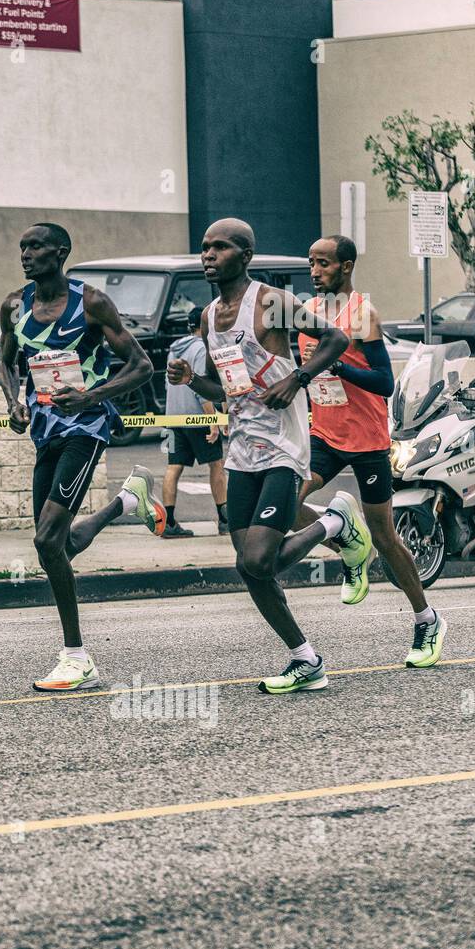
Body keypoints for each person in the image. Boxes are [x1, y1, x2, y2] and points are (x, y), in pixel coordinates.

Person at [167, 218, 372, 695]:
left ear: (246, 255)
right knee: (248, 566)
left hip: (283, 444)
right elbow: (228, 388)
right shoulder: (207, 317)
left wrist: (297, 378)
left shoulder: (272, 301)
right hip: (241, 449)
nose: (209, 255)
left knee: (260, 560)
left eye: (220, 247)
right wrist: (190, 381)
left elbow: (336, 340)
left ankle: (335, 523)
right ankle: (306, 660)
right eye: (204, 248)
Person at [0, 223, 161, 693]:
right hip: (47, 431)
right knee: (56, 547)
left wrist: (91, 397)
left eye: (36, 246)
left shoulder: (90, 302)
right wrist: (14, 401)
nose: (26, 254)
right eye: (22, 246)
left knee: (47, 542)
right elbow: (6, 362)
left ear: (61, 251)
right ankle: (126, 503)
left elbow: (141, 366)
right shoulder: (15, 305)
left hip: (86, 428)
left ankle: (76, 656)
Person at [294, 235, 445, 668]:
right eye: (311, 262)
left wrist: (338, 364)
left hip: (367, 440)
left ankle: (426, 618)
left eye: (323, 264)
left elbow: (384, 382)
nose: (314, 270)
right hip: (324, 434)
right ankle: (345, 539)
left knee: (386, 536)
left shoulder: (362, 314)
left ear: (345, 267)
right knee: (286, 500)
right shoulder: (307, 313)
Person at [161, 302, 228, 537]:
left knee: (173, 467)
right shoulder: (201, 348)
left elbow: (168, 382)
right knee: (217, 465)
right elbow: (202, 387)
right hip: (197, 418)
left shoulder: (174, 349)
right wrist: (214, 421)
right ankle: (224, 519)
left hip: (173, 417)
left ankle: (168, 523)